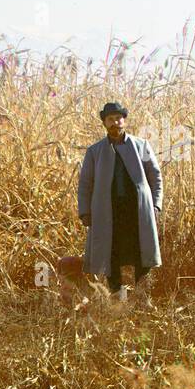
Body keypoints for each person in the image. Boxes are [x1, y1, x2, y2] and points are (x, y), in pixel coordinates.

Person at [77, 102, 162, 295]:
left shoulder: (142, 146)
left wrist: (156, 205)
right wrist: (85, 212)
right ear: (105, 123)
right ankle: (117, 295)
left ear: (124, 120)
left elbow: (155, 177)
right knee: (111, 251)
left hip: (137, 209)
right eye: (110, 119)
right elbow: (85, 184)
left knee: (142, 250)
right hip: (107, 210)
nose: (115, 122)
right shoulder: (94, 151)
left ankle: (141, 295)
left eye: (118, 118)